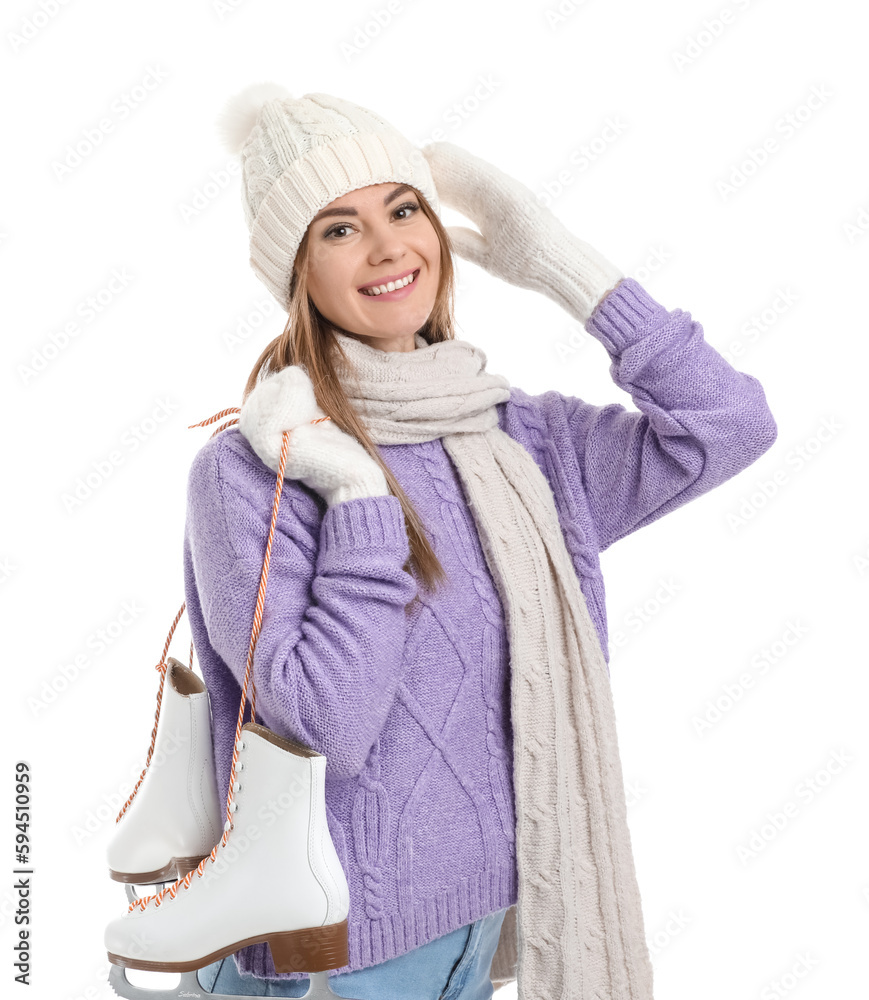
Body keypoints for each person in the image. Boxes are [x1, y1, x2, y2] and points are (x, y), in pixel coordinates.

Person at [185, 85, 778, 1000]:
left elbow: (729, 425)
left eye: (403, 209)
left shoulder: (524, 441)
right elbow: (325, 723)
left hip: (495, 915)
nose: (388, 247)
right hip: (341, 946)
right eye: (339, 228)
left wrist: (563, 267)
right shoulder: (256, 467)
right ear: (296, 272)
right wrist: (356, 497)